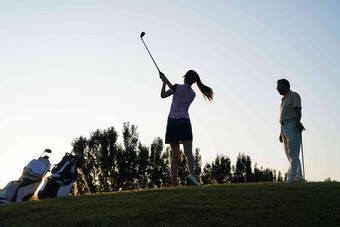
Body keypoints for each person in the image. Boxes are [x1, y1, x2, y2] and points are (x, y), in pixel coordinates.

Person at [159, 70, 213, 187]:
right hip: (185, 123)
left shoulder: (177, 87)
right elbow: (176, 89)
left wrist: (163, 81)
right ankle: (192, 176)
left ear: (185, 78)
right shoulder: (192, 94)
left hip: (173, 122)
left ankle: (174, 183)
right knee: (188, 153)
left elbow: (163, 95)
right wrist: (166, 80)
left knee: (176, 155)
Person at [277, 79, 305, 183]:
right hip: (284, 126)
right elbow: (282, 117)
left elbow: (298, 109)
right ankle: (299, 177)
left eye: (279, 86)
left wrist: (297, 123)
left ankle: (292, 176)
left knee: (293, 152)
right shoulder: (283, 100)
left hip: (292, 124)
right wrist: (281, 132)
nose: (277, 88)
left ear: (286, 86)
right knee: (289, 153)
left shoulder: (294, 95)